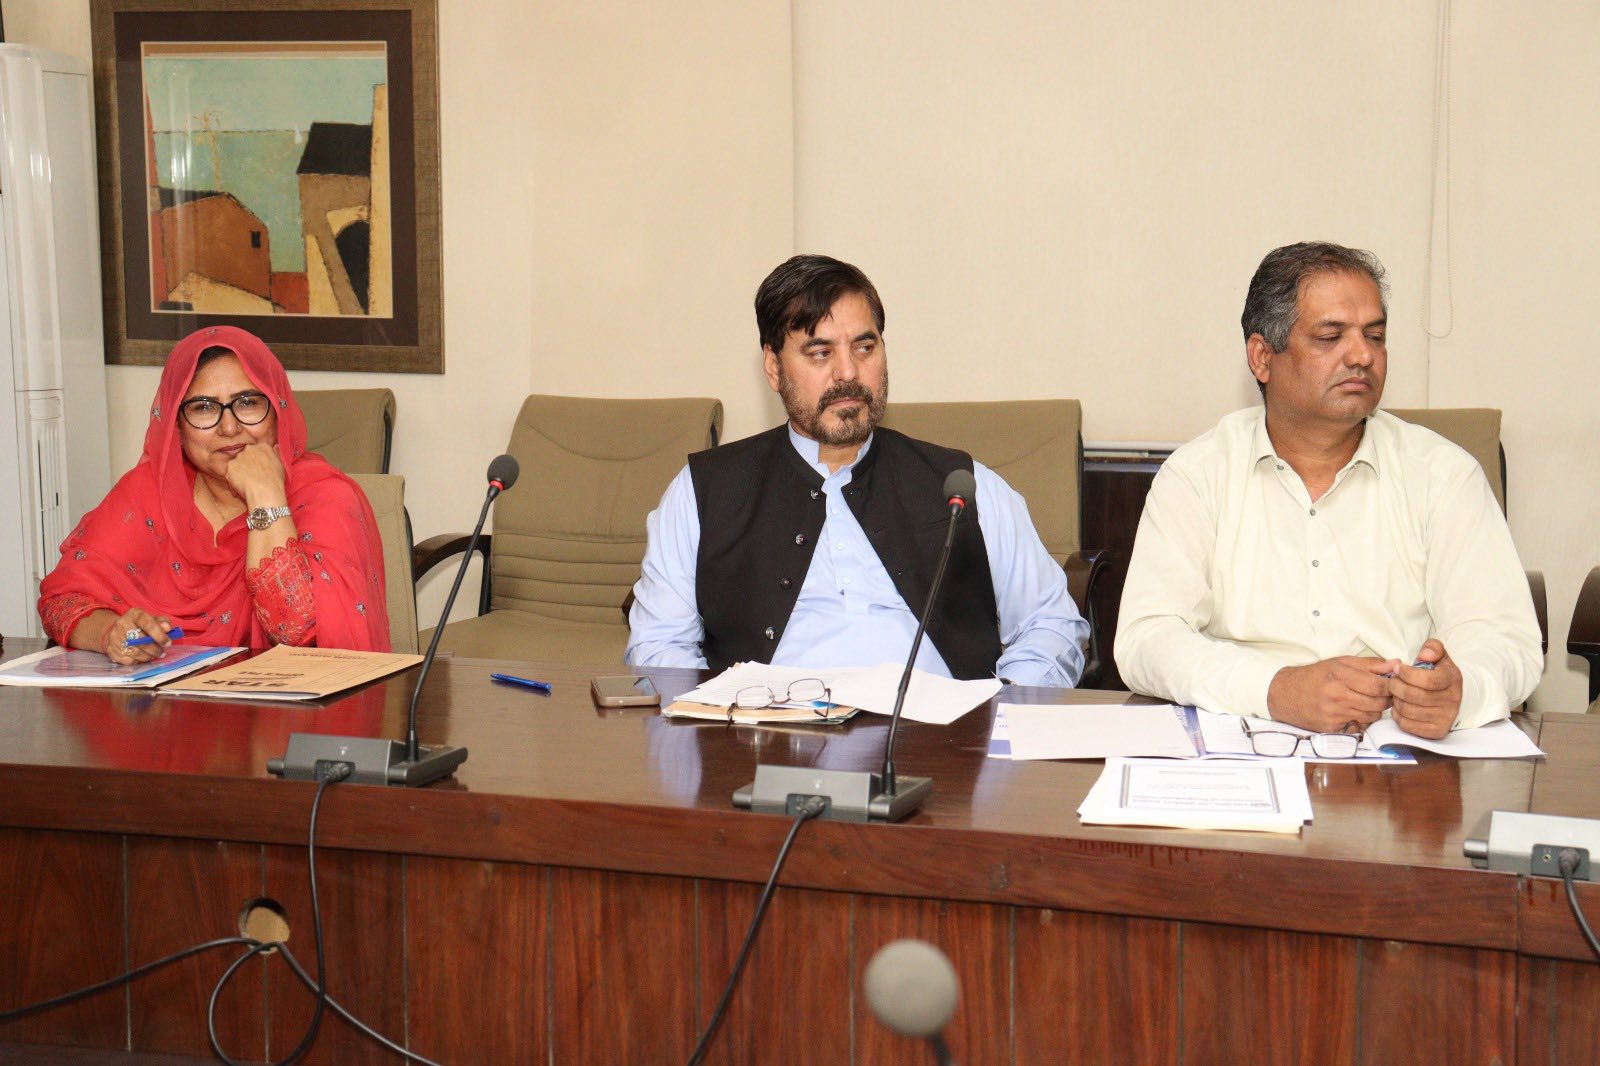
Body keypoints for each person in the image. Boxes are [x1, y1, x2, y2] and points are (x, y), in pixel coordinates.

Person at [1115, 242, 1541, 739]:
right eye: (1330, 336)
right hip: (1241, 745)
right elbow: (1147, 639)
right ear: (1262, 357)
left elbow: (1505, 638)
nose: (1362, 355)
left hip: (1400, 753)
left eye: (1375, 336)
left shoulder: (1443, 474)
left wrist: (1460, 690)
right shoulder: (1197, 475)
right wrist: (1276, 688)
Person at [626, 254, 1087, 686]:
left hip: (941, 735)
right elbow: (658, 647)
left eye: (865, 347)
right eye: (820, 352)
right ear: (773, 367)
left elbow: (1052, 624)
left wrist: (998, 713)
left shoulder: (962, 485)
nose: (848, 372)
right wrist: (720, 724)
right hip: (766, 735)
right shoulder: (704, 492)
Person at [38, 325, 391, 660]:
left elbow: (295, 632)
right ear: (176, 426)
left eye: (248, 402)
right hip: (163, 698)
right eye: (204, 408)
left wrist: (265, 496)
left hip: (288, 701)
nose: (230, 427)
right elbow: (61, 601)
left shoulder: (327, 498)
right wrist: (110, 633)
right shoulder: (149, 493)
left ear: (278, 410)